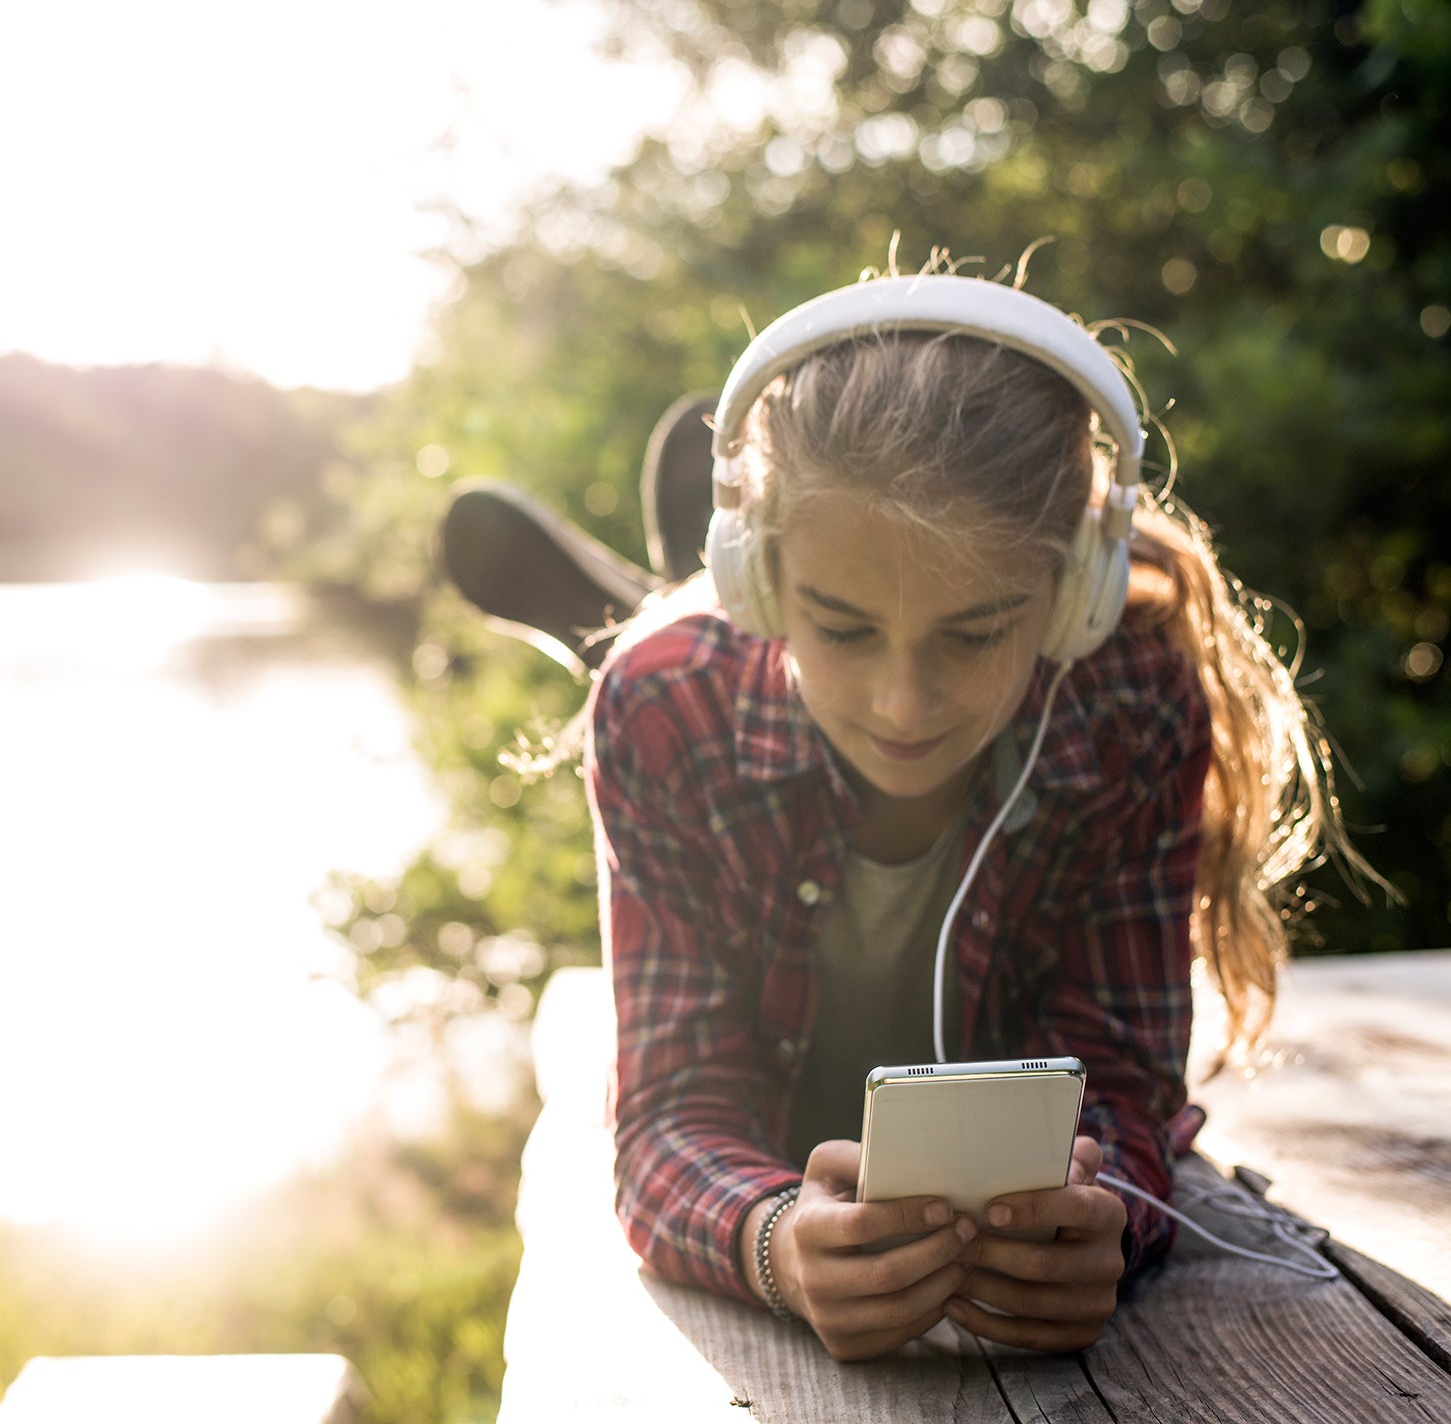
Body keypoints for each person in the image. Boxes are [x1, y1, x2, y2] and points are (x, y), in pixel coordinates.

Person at [454, 266, 1378, 1360]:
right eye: (843, 629)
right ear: (755, 579)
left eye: (974, 633)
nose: (905, 706)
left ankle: (669, 592)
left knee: (723, 659)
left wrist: (1109, 1223)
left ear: (1073, 592)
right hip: (726, 792)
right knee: (656, 663)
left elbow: (1123, 1076)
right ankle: (657, 601)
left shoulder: (1131, 694)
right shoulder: (667, 709)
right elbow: (671, 1112)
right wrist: (774, 1241)